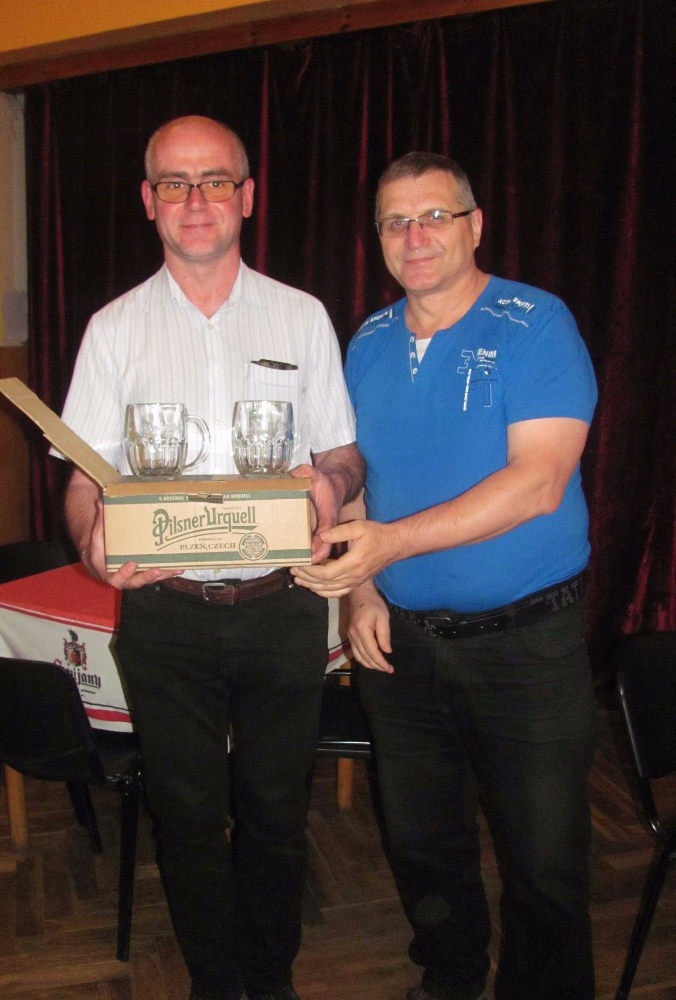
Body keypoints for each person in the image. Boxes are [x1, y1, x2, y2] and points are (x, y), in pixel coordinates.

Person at [60, 115, 364, 1000]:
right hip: (164, 613)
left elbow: (344, 453)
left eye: (216, 180)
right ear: (149, 200)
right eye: (175, 183)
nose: (196, 200)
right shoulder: (112, 329)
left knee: (276, 813)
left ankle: (269, 979)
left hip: (282, 604)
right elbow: (82, 478)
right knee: (187, 817)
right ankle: (214, 983)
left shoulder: (301, 316)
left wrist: (331, 486)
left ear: (248, 196)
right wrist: (91, 545)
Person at [292, 152, 598, 1000]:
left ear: (475, 225)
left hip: (525, 646)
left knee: (544, 863)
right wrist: (361, 590)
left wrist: (389, 547)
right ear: (378, 237)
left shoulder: (535, 322)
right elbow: (358, 481)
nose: (415, 235)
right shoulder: (367, 342)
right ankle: (451, 980)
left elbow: (538, 483)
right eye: (396, 221)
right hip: (402, 649)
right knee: (424, 846)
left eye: (435, 215)